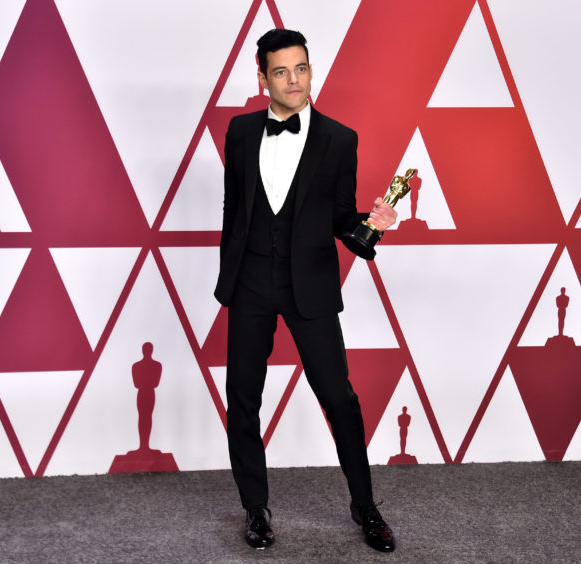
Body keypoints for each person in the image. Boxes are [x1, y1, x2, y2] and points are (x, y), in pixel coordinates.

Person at [214, 29, 397, 552]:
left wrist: (372, 225)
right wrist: (230, 274)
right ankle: (255, 510)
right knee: (243, 398)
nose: (293, 81)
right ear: (262, 78)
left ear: (310, 70)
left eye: (301, 69)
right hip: (249, 283)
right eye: (280, 71)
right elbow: (234, 208)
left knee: (339, 398)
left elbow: (342, 218)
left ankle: (365, 507)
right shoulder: (241, 132)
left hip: (310, 285)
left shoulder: (341, 140)